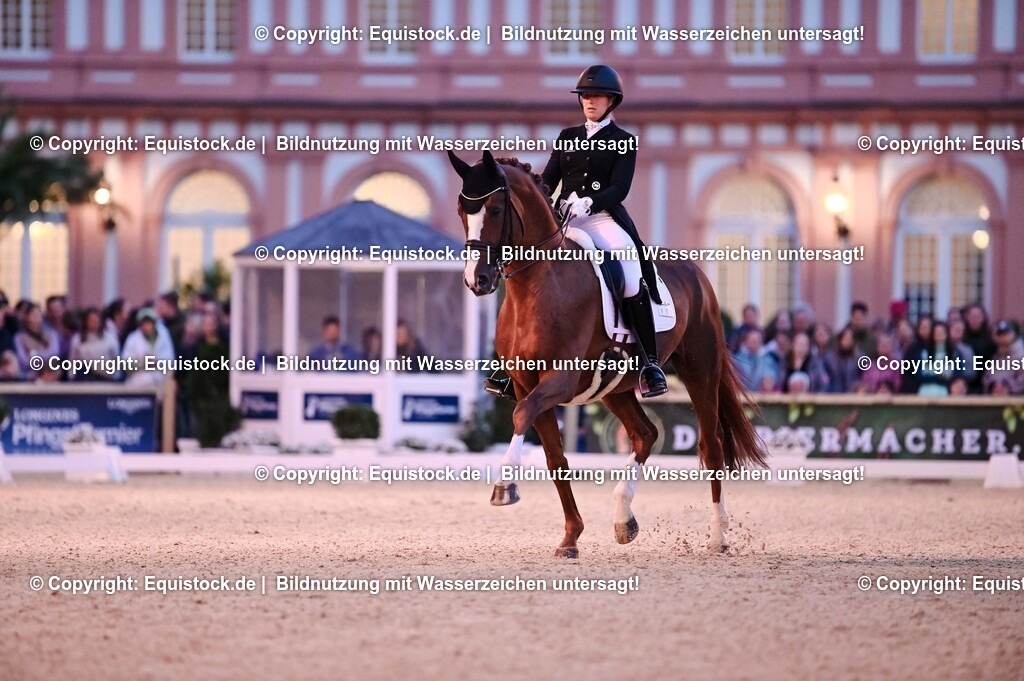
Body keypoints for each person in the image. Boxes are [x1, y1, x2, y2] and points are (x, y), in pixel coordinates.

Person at [487, 64, 666, 400]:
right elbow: (547, 182)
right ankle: (510, 364)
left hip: (603, 220)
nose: (590, 101)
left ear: (612, 101)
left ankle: (649, 363)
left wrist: (590, 202)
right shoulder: (567, 137)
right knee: (523, 268)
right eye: (585, 96)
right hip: (565, 220)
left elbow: (621, 187)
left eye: (597, 96)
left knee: (628, 275)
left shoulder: (624, 141)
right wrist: (548, 206)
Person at [121, 307, 176, 387]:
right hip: (137, 384)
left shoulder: (164, 335)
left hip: (160, 383)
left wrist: (156, 362)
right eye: (144, 323)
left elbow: (170, 362)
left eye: (149, 322)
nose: (146, 326)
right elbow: (126, 365)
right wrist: (143, 363)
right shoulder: (132, 339)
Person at [69, 307, 121, 381]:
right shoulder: (77, 339)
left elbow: (116, 359)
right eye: (91, 319)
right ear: (86, 321)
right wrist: (71, 376)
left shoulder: (110, 338)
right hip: (85, 378)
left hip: (106, 378)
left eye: (96, 319)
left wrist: (116, 377)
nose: (94, 322)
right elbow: (72, 360)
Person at [13, 303, 61, 381]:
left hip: (50, 372)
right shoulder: (19, 337)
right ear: (27, 317)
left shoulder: (51, 334)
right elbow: (23, 360)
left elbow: (53, 354)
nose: (36, 318)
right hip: (29, 374)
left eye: (38, 315)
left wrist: (33, 354)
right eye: (33, 315)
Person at [983, 320, 1024, 395]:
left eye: (1006, 333)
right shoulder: (997, 356)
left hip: (1016, 401)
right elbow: (987, 378)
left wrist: (1007, 387)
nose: (1003, 337)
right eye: (1000, 334)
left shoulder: (1021, 355)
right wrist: (993, 385)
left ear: (1014, 334)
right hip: (995, 399)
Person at [823, 326, 864, 393]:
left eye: (850, 339)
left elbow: (862, 377)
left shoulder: (859, 358)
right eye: (845, 338)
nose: (848, 341)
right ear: (840, 339)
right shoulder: (830, 358)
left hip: (853, 395)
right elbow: (825, 377)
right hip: (833, 394)